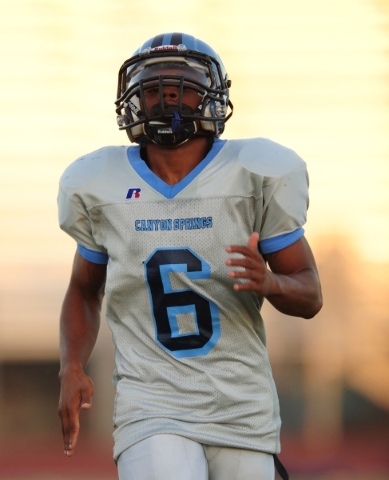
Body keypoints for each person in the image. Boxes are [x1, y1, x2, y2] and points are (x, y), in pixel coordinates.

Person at [57, 32, 322, 480]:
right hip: (152, 404)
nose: (166, 96)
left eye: (181, 85)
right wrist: (71, 365)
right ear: (133, 100)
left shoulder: (253, 173)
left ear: (210, 97)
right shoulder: (100, 183)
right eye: (153, 86)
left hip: (242, 406)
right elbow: (84, 289)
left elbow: (310, 294)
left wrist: (271, 282)